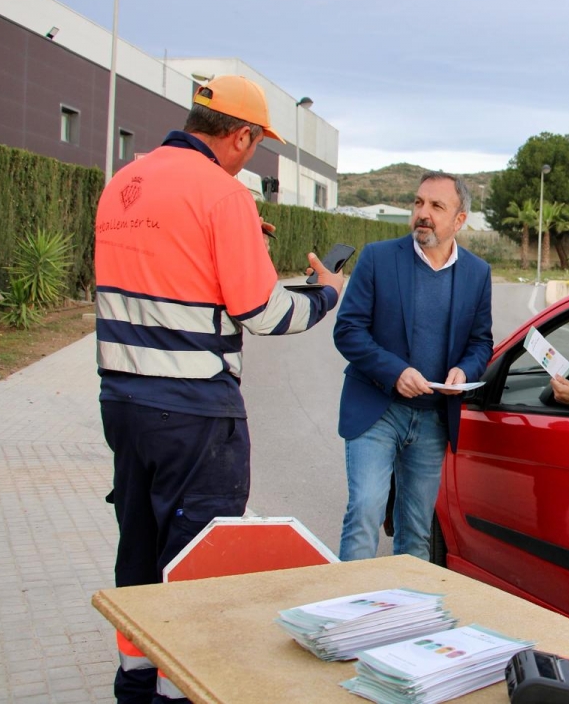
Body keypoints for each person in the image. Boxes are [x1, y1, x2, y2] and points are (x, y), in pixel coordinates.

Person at [94, 75, 343, 703]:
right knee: (199, 563)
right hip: (195, 413)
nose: (249, 158)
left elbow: (168, 277)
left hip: (124, 403)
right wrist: (325, 295)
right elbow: (263, 313)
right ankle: (182, 691)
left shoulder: (125, 182)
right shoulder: (222, 195)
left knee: (140, 549)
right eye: (254, 146)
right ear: (241, 134)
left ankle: (134, 683)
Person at [333, 171, 493, 562]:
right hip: (377, 410)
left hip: (433, 420)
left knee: (416, 530)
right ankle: (349, 616)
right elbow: (348, 330)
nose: (423, 213)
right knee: (366, 512)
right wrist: (395, 372)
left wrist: (465, 371)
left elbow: (480, 341)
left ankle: (408, 617)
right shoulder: (378, 258)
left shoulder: (477, 273)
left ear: (459, 220)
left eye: (437, 206)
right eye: (419, 203)